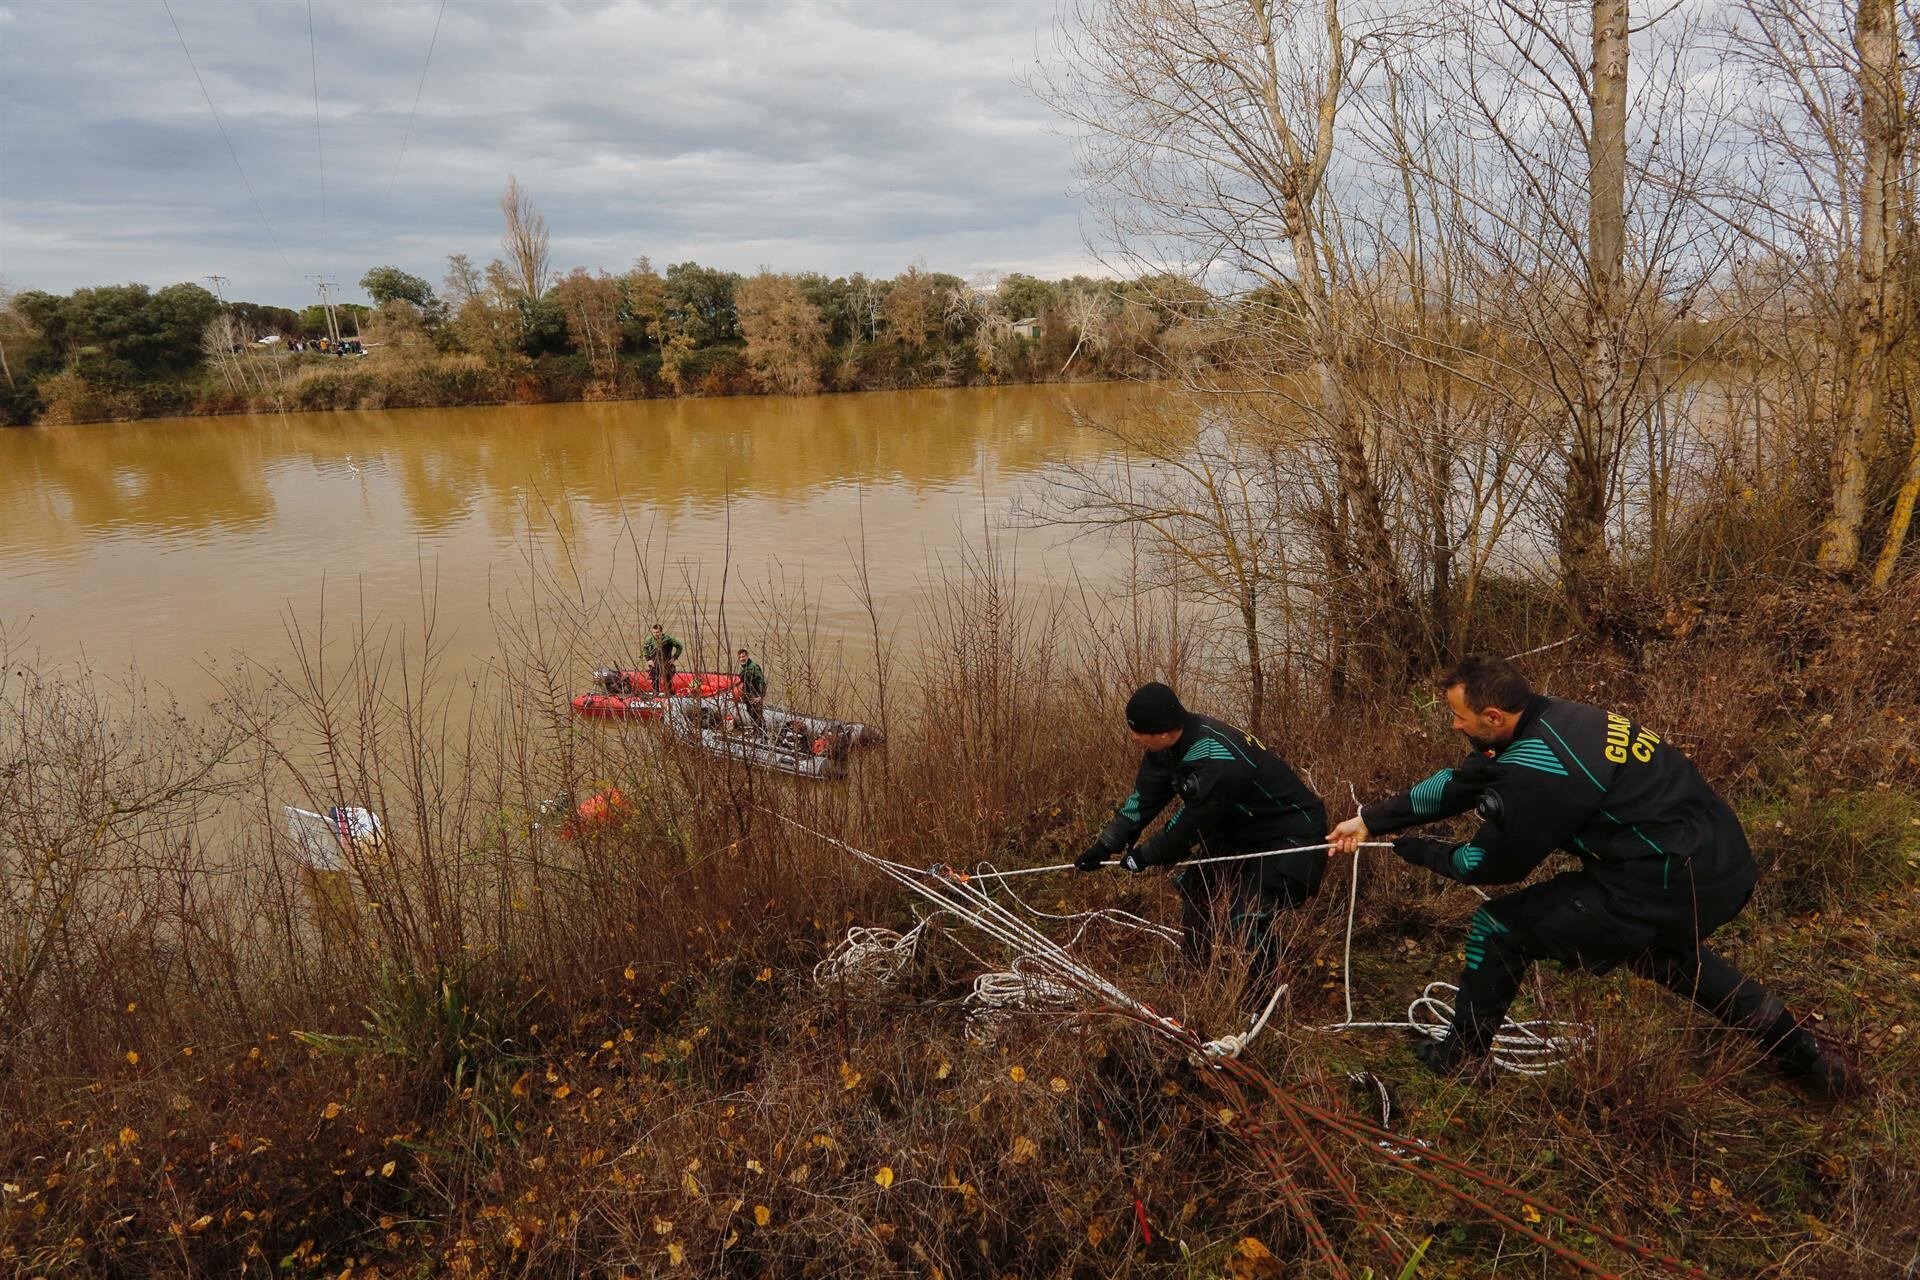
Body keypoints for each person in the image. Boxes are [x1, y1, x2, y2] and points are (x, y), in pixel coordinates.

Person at [1329, 654, 1855, 1094]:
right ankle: (1807, 1061)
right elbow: (1462, 781)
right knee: (1669, 958)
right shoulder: (1557, 716)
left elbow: (1485, 867)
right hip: (1720, 866)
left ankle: (1460, 1059)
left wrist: (1410, 848)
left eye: (1459, 717)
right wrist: (1371, 820)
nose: (1454, 725)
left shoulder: (1538, 774)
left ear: (1492, 715)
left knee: (1499, 929)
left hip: (1659, 883)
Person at [1076, 682, 1329, 994]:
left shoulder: (1216, 756)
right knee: (1192, 886)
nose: (1134, 737)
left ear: (1164, 730)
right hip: (1241, 828)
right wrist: (1105, 846)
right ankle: (1193, 968)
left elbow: (1189, 826)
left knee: (1247, 911)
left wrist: (1143, 857)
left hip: (1292, 832)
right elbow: (1142, 799)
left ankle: (1263, 994)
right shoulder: (1166, 749)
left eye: (1139, 731)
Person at [644, 623, 683, 694]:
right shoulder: (649, 640)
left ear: (661, 632)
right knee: (654, 678)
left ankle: (667, 693)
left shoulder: (668, 639)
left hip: (666, 662)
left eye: (657, 632)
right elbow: (645, 648)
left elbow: (679, 647)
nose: (656, 634)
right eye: (654, 632)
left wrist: (674, 658)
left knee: (667, 678)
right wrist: (648, 659)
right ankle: (656, 693)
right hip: (654, 662)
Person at [736, 647, 768, 730]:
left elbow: (762, 682)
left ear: (747, 656)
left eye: (743, 656)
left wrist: (761, 696)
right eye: (740, 657)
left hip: (755, 696)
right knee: (752, 716)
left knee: (758, 717)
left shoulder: (754, 667)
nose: (742, 659)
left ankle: (763, 737)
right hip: (748, 696)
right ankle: (756, 733)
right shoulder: (742, 668)